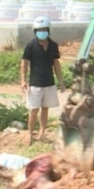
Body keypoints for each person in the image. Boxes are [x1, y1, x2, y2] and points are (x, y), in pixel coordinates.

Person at [21, 16, 66, 145]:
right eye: (39, 29)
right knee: (34, 110)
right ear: (35, 31)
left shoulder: (53, 46)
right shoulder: (30, 46)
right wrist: (23, 80)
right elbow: (24, 63)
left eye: (44, 29)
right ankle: (29, 133)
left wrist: (61, 81)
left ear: (48, 30)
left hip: (49, 83)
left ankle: (42, 133)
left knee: (45, 108)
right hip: (35, 83)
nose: (42, 32)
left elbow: (56, 63)